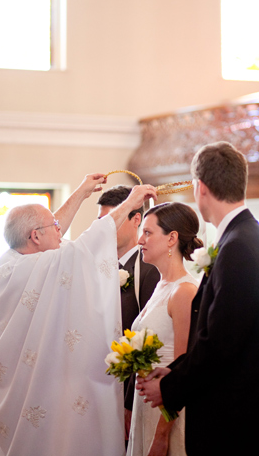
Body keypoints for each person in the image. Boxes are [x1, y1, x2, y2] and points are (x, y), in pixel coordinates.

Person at [137, 141, 259, 455]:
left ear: (201, 188)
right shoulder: (248, 238)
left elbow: (222, 343)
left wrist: (169, 388)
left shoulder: (239, 247)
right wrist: (176, 371)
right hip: (239, 414)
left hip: (232, 421)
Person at [0, 175, 157, 456]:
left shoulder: (6, 267)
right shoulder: (44, 264)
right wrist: (131, 202)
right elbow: (90, 242)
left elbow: (45, 228)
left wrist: (80, 193)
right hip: (44, 393)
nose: (61, 230)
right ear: (36, 236)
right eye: (55, 228)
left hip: (31, 396)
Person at [127, 202, 199, 456]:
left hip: (168, 415)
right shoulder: (162, 285)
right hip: (147, 406)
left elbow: (182, 367)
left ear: (172, 238)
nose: (140, 240)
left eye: (148, 232)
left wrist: (161, 435)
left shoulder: (184, 291)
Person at [97, 185, 161, 438]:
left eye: (113, 219)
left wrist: (128, 404)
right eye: (102, 221)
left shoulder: (149, 270)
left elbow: (147, 342)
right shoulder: (97, 268)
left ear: (136, 219)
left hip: (130, 392)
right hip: (100, 387)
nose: (105, 229)